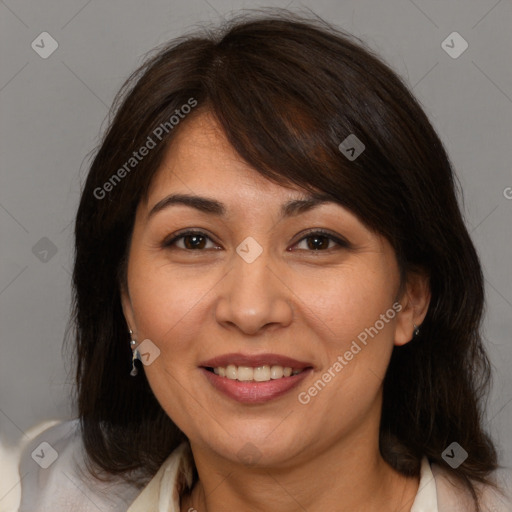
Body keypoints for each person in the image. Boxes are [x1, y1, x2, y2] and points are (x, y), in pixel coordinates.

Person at [15, 10, 512, 512]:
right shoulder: (51, 489)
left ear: (409, 299)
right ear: (125, 296)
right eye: (193, 241)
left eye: (317, 242)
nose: (251, 310)